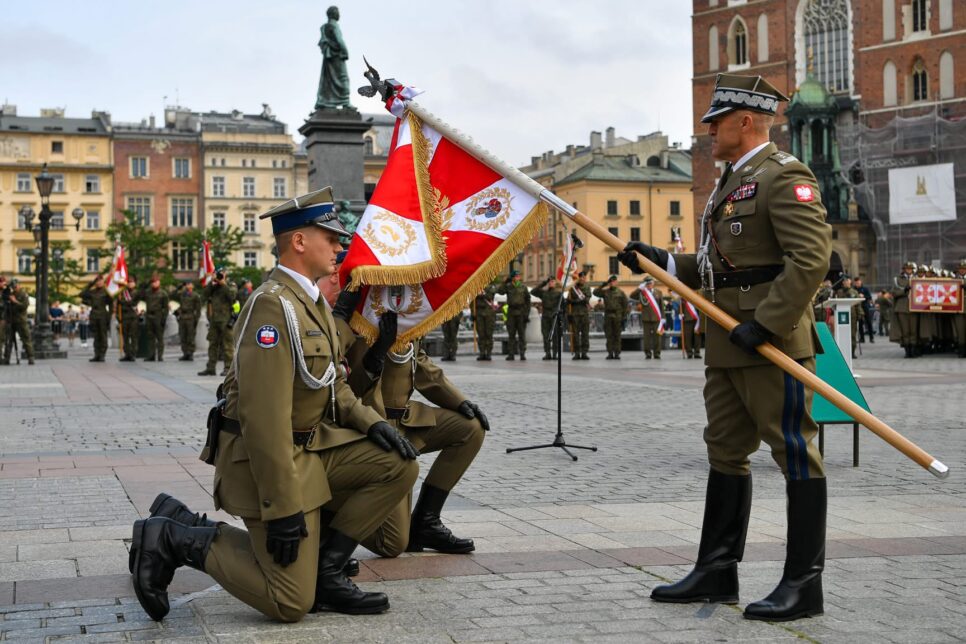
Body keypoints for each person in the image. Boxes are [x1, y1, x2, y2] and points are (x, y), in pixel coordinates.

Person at [130, 186, 418, 624]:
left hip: (307, 450)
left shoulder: (311, 301)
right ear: (299, 241)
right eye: (331, 236)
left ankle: (326, 570)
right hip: (268, 462)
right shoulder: (272, 307)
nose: (341, 245)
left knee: (396, 463)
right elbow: (262, 421)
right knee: (288, 603)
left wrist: (371, 422)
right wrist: (282, 507)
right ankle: (173, 537)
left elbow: (329, 382)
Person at [618, 73, 832, 622]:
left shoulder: (784, 177)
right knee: (724, 450)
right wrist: (659, 261)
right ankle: (717, 570)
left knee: (793, 452)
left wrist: (765, 324)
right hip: (728, 343)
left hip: (770, 344)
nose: (708, 130)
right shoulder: (730, 181)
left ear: (745, 121)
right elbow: (718, 268)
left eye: (716, 121)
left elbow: (810, 260)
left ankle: (803, 584)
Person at [332, 297, 487, 558]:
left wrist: (460, 402)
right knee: (391, 543)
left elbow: (420, 362)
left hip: (405, 421)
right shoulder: (354, 317)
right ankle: (327, 514)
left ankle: (426, 521)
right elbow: (345, 390)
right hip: (371, 428)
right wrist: (377, 352)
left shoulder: (402, 311)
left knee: (470, 428)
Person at [198, 272, 236, 376]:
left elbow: (232, 298)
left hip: (226, 320)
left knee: (227, 346)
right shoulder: (213, 288)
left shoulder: (230, 286)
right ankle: (210, 368)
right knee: (212, 344)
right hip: (214, 320)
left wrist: (223, 283)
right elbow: (203, 297)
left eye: (220, 275)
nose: (218, 277)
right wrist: (211, 282)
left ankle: (228, 368)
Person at [497, 270, 531, 360]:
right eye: (516, 276)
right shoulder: (508, 286)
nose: (518, 278)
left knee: (522, 335)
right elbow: (500, 291)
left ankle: (522, 353)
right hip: (511, 312)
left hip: (521, 312)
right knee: (511, 334)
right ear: (512, 278)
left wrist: (527, 314)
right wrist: (505, 281)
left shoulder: (523, 287)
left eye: (519, 276)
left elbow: (528, 301)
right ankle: (511, 354)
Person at [593, 275, 628, 359]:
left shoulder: (621, 292)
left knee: (617, 335)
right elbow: (595, 292)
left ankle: (617, 353)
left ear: (616, 282)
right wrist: (604, 284)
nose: (612, 283)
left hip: (617, 316)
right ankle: (610, 352)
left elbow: (625, 305)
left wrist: (624, 317)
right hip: (608, 315)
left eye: (614, 281)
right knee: (609, 335)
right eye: (611, 282)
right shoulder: (606, 292)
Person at [80, 274, 112, 362]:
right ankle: (96, 354)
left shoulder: (107, 292)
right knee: (96, 336)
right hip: (94, 315)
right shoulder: (92, 292)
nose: (98, 283)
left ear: (103, 281)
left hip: (103, 315)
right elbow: (82, 294)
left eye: (100, 281)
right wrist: (90, 284)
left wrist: (109, 316)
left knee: (103, 336)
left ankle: (102, 355)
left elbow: (111, 304)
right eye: (97, 281)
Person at [2, 279, 34, 365]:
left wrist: (15, 301)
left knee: (26, 339)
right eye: (12, 287)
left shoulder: (23, 294)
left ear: (19, 285)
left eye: (15, 286)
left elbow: (24, 306)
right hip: (11, 320)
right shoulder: (10, 294)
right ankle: (6, 358)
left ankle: (30, 357)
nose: (14, 288)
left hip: (21, 321)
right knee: (8, 340)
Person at [890, 261, 918, 358]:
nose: (909, 270)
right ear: (904, 269)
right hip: (902, 308)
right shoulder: (898, 280)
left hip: (915, 307)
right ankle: (907, 351)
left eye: (911, 269)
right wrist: (904, 290)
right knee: (905, 331)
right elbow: (893, 293)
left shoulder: (917, 279)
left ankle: (913, 351)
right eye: (907, 269)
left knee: (913, 331)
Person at [531, 276, 563, 360]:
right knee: (546, 336)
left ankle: (555, 353)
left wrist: (561, 317)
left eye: (552, 281)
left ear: (555, 283)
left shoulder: (558, 293)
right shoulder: (544, 293)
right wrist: (544, 283)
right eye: (549, 282)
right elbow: (533, 291)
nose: (551, 283)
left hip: (554, 317)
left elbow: (563, 305)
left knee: (555, 336)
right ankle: (547, 353)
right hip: (545, 316)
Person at [139, 276, 170, 362]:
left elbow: (166, 308)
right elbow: (140, 297)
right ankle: (151, 355)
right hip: (149, 316)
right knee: (150, 337)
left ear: (159, 282)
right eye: (153, 282)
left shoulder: (163, 293)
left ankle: (160, 356)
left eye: (156, 282)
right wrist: (143, 287)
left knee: (160, 337)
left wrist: (164, 318)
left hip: (158, 316)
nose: (154, 284)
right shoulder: (148, 292)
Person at [633, 277, 664, 359]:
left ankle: (657, 353)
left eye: (650, 283)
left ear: (653, 283)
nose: (649, 285)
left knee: (657, 337)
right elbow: (632, 296)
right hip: (646, 318)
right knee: (646, 338)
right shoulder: (642, 292)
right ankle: (648, 353)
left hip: (656, 318)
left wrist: (663, 317)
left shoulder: (658, 292)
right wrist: (639, 288)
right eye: (647, 284)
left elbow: (661, 306)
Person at [834, 276, 862, 359]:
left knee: (852, 334)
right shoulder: (839, 292)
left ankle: (852, 352)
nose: (846, 282)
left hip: (852, 315)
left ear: (850, 282)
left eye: (847, 281)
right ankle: (842, 351)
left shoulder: (854, 292)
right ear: (842, 283)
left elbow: (858, 304)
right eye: (844, 281)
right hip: (840, 316)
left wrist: (860, 314)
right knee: (841, 333)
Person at [567, 271, 592, 360]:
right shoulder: (572, 288)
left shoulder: (587, 287)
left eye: (584, 277)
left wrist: (575, 301)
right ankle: (577, 353)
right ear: (578, 278)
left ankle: (584, 352)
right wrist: (568, 314)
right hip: (575, 314)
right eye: (580, 277)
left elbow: (587, 298)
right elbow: (568, 301)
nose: (582, 279)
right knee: (575, 335)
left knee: (585, 334)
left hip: (584, 314)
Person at [175, 281, 202, 361]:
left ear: (192, 286)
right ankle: (185, 353)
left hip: (190, 317)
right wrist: (179, 287)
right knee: (183, 335)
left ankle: (190, 353)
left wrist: (196, 319)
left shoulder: (195, 296)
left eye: (189, 284)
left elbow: (198, 309)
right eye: (187, 284)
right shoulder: (182, 294)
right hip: (182, 317)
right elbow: (174, 295)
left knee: (190, 336)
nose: (188, 285)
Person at [471, 284, 499, 361]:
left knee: (489, 334)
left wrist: (482, 294)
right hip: (479, 313)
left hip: (489, 314)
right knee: (481, 334)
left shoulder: (491, 287)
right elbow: (472, 302)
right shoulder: (475, 288)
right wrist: (473, 314)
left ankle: (489, 353)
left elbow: (490, 297)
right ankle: (482, 353)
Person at [116, 276, 140, 362]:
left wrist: (122, 302)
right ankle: (127, 354)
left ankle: (133, 354)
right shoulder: (122, 293)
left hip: (133, 317)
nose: (130, 284)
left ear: (135, 283)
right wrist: (118, 317)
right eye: (129, 282)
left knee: (133, 336)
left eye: (132, 282)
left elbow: (133, 302)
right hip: (124, 317)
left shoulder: (137, 293)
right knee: (125, 337)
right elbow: (118, 307)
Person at [853, 277, 874, 344]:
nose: (857, 284)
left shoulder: (865, 289)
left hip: (865, 306)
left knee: (868, 322)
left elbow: (869, 297)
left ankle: (871, 337)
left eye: (858, 282)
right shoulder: (853, 289)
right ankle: (862, 338)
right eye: (856, 283)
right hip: (858, 307)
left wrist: (863, 296)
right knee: (860, 323)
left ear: (861, 282)